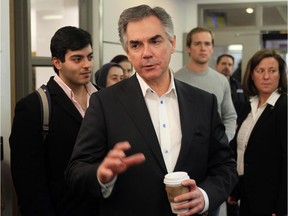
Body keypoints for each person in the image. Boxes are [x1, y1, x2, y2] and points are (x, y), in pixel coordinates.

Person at [65, 5, 238, 216]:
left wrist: (205, 195)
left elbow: (225, 165)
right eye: (136, 45)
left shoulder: (203, 102)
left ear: (172, 43)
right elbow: (76, 171)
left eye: (155, 41)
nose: (146, 53)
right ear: (127, 51)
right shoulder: (105, 102)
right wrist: (101, 174)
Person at [9, 26, 99, 216]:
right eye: (77, 59)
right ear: (57, 62)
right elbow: (29, 185)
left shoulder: (104, 98)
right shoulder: (34, 107)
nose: (87, 65)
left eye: (89, 57)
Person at [230, 49, 287, 215]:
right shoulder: (248, 106)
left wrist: (282, 207)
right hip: (248, 196)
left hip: (271, 201)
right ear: (252, 75)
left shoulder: (284, 107)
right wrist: (236, 189)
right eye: (260, 71)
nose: (266, 77)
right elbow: (242, 151)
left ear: (280, 74)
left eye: (272, 71)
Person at [175, 27, 237, 142]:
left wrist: (223, 141)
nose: (203, 48)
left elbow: (230, 116)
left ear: (212, 48)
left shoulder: (222, 80)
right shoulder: (175, 79)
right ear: (188, 48)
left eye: (207, 44)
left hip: (215, 151)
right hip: (183, 149)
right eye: (198, 44)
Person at [216, 54, 249, 125]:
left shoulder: (239, 87)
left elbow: (246, 107)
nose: (226, 67)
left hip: (235, 127)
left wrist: (239, 123)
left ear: (233, 68)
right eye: (223, 63)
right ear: (217, 66)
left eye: (230, 64)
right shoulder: (210, 84)